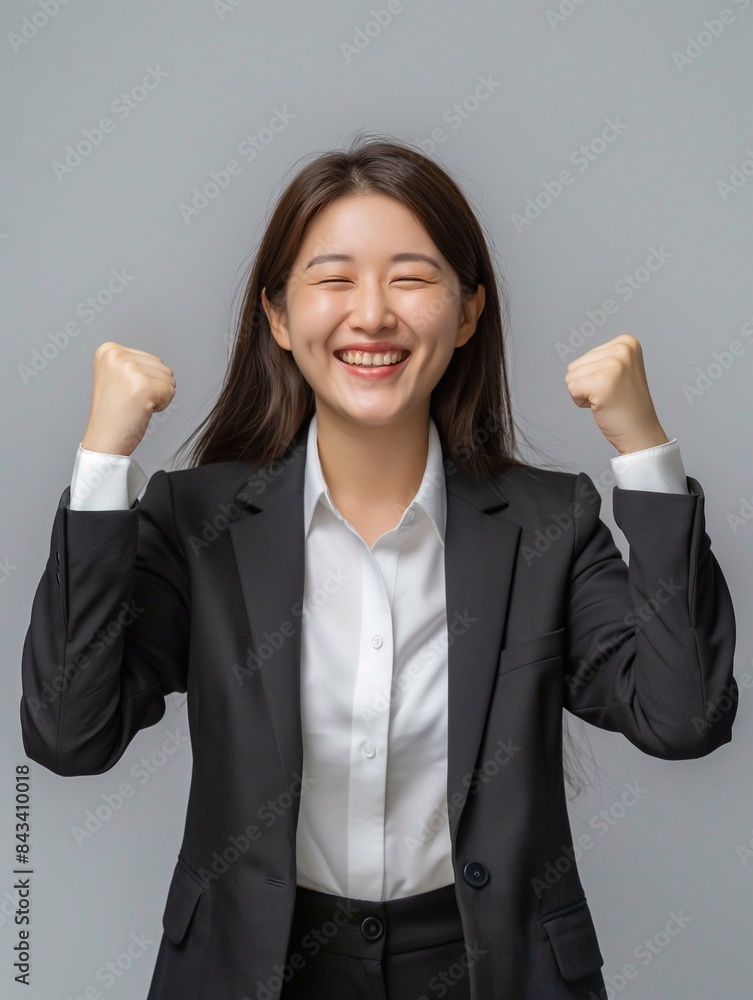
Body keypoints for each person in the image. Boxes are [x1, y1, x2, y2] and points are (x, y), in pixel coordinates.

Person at [20, 135, 737, 1000]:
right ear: (278, 318)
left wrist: (642, 449)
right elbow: (68, 733)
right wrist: (103, 465)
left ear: (468, 311)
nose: (371, 315)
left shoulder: (550, 522)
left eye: (410, 277)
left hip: (492, 971)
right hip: (255, 971)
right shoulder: (196, 522)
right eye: (332, 279)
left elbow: (683, 715)